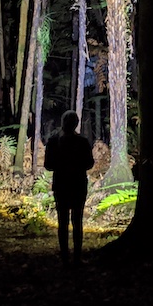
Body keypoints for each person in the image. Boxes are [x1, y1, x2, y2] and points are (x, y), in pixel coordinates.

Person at [44, 110, 94, 265]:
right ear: (76, 124)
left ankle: (65, 256)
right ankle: (77, 256)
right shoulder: (82, 142)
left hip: (61, 184)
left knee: (63, 221)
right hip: (78, 184)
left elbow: (48, 165)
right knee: (77, 221)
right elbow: (89, 163)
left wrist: (61, 164)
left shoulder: (54, 141)